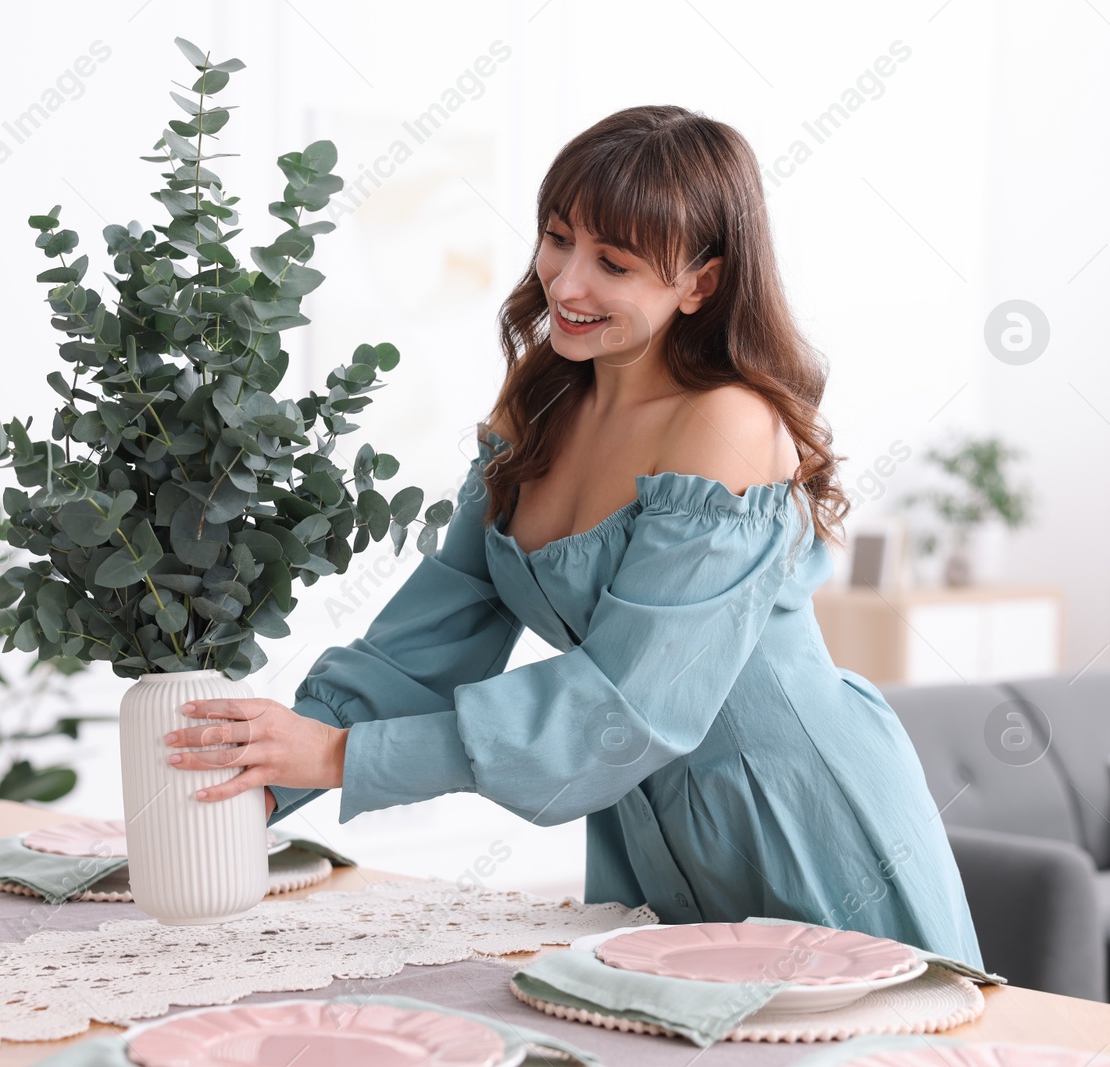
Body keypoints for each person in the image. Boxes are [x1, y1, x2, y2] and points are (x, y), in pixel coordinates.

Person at [163, 104, 984, 964]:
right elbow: (432, 634)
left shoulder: (726, 424)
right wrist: (265, 774)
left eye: (614, 263)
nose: (566, 285)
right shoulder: (540, 400)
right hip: (643, 824)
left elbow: (627, 705)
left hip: (800, 816)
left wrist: (344, 755)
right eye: (559, 238)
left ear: (699, 283)